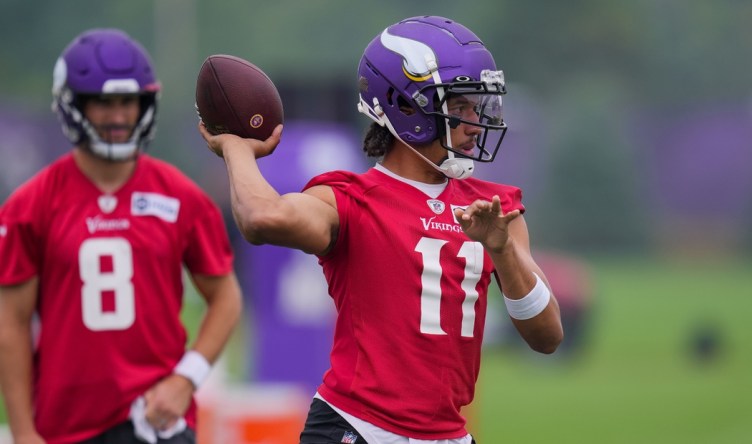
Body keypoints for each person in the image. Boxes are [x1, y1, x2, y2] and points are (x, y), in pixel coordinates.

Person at [199, 15, 563, 444]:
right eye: (457, 106)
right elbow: (262, 219)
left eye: (475, 106)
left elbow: (548, 337)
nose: (472, 122)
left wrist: (503, 250)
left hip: (448, 435)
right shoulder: (349, 199)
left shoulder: (494, 210)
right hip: (356, 428)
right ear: (405, 105)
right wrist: (236, 148)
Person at [0, 29, 242, 444]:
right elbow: (11, 323)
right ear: (73, 104)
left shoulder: (181, 197)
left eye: (128, 102)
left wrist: (186, 379)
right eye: (103, 103)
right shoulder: (31, 204)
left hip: (157, 422)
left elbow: (225, 297)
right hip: (66, 426)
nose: (118, 116)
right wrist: (23, 430)